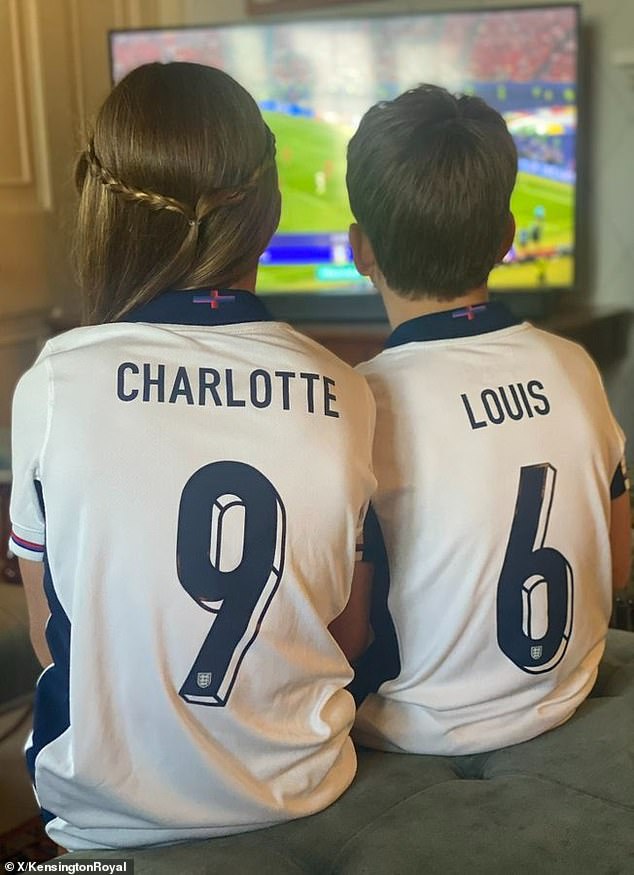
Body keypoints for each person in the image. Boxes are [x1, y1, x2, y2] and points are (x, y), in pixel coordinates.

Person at [9, 62, 376, 850]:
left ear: (98, 206)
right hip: (304, 789)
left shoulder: (53, 383)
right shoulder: (347, 390)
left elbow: (51, 638)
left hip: (104, 823)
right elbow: (345, 637)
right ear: (269, 214)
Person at [343, 83, 631, 756]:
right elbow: (616, 570)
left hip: (408, 733)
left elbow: (342, 629)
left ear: (360, 248)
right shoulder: (575, 366)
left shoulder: (359, 403)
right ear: (507, 238)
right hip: (567, 691)